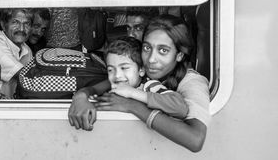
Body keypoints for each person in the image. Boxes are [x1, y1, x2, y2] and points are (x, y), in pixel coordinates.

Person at [68, 14, 210, 152]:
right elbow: (107, 85)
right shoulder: (143, 69)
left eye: (163, 50)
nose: (151, 59)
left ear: (179, 55)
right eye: (147, 48)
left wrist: (132, 106)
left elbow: (195, 140)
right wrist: (80, 97)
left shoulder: (192, 82)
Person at [105, 37, 188, 119]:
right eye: (110, 70)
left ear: (141, 70)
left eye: (124, 68)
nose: (117, 75)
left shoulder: (150, 86)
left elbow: (180, 108)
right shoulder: (112, 90)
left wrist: (132, 92)